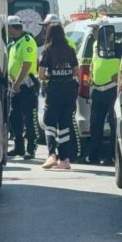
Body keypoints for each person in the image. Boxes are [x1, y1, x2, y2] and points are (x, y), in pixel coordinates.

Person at [38, 24, 80, 170]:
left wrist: (51, 75)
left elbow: (41, 74)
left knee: (49, 121)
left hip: (55, 89)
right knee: (65, 124)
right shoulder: (70, 50)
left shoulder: (48, 50)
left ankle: (52, 155)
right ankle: (65, 160)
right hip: (69, 90)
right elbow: (76, 71)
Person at [84, 23, 121, 165]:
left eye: (95, 29)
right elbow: (94, 63)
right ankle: (93, 156)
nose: (93, 32)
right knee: (95, 125)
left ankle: (111, 157)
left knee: (114, 124)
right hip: (97, 90)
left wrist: (120, 75)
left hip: (112, 89)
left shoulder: (118, 46)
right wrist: (90, 79)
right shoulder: (95, 45)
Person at [7, 15, 38, 160]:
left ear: (12, 27)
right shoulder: (14, 43)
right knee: (15, 117)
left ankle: (31, 148)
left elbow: (27, 64)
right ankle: (19, 147)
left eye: (8, 28)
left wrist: (18, 83)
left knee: (29, 118)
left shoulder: (27, 41)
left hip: (26, 85)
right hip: (16, 85)